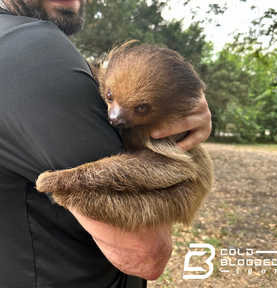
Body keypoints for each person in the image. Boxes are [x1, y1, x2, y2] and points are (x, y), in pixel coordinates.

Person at [0, 0, 212, 287]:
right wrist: (71, 182)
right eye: (111, 99)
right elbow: (145, 255)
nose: (114, 116)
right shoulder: (32, 45)